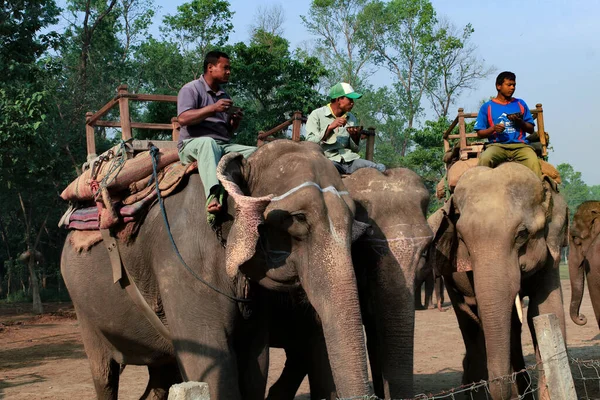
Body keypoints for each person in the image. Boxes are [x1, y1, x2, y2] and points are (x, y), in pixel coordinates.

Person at [177, 50, 256, 215]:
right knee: (208, 143)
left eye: (229, 68)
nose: (229, 72)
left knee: (258, 152)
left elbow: (226, 131)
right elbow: (183, 119)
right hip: (193, 144)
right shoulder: (191, 89)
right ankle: (212, 195)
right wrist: (213, 108)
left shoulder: (224, 95)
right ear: (210, 67)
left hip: (222, 146)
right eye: (225, 68)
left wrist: (235, 121)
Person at [305, 82, 385, 174]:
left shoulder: (351, 118)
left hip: (350, 160)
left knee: (377, 168)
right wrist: (330, 128)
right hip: (328, 160)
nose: (352, 103)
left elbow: (355, 150)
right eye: (350, 99)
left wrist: (355, 137)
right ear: (339, 99)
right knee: (328, 170)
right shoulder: (317, 114)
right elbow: (309, 143)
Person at [474, 71, 541, 177]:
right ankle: (479, 188)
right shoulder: (487, 107)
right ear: (498, 86)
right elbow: (480, 133)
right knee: (485, 159)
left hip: (520, 146)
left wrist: (520, 122)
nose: (512, 88)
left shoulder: (520, 104)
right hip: (497, 146)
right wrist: (493, 129)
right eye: (509, 85)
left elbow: (531, 129)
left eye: (514, 85)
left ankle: (541, 190)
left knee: (534, 162)